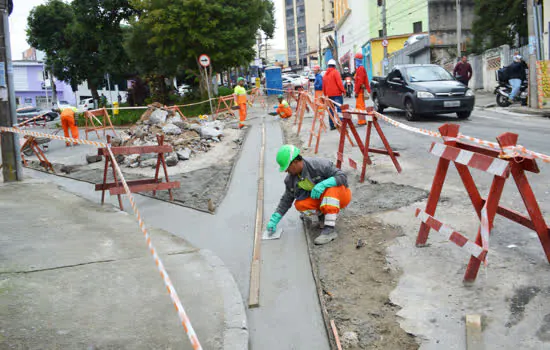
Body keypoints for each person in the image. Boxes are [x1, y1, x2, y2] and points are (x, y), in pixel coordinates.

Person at [266, 145, 352, 245]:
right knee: (300, 205)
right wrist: (274, 219)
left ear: (295, 162)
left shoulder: (318, 165)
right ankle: (323, 216)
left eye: (287, 167)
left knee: (331, 190)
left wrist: (324, 184)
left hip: (341, 196)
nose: (286, 171)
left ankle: (329, 230)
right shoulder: (291, 179)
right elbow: (286, 199)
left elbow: (342, 177)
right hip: (322, 200)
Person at [322, 59, 346, 130]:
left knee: (331, 109)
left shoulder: (325, 75)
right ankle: (341, 123)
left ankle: (332, 125)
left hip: (329, 95)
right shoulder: (335, 72)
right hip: (337, 94)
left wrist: (326, 94)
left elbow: (323, 86)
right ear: (334, 66)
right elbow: (339, 83)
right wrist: (343, 91)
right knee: (339, 109)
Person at [354, 53, 371, 125]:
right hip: (361, 90)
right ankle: (362, 121)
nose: (355, 62)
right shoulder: (360, 68)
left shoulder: (360, 69)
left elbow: (359, 82)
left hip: (360, 91)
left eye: (355, 60)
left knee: (360, 106)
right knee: (361, 106)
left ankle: (362, 121)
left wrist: (356, 92)